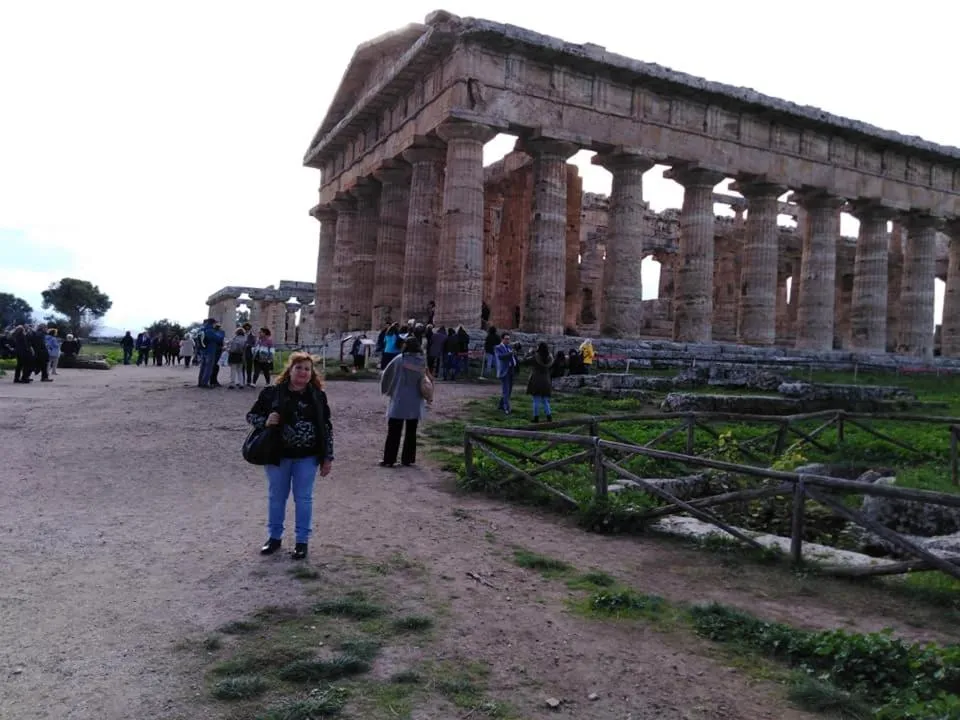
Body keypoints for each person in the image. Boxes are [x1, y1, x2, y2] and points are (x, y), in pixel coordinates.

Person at [246, 352, 334, 560]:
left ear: (311, 373)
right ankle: (274, 537)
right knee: (277, 497)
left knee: (304, 498)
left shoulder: (318, 396)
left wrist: (328, 456)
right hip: (278, 454)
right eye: (299, 368)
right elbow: (251, 416)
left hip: (308, 456)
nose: (303, 372)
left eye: (307, 369)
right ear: (290, 370)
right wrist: (266, 421)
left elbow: (327, 427)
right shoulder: (272, 394)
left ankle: (302, 541)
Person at [379, 337, 429, 467]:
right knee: (411, 432)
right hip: (415, 400)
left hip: (399, 399)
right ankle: (408, 459)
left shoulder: (399, 359)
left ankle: (389, 459)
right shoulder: (422, 361)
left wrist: (385, 390)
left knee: (394, 431)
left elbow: (386, 375)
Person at [526, 342, 554, 423]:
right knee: (545, 400)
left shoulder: (535, 357)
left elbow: (524, 361)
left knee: (536, 400)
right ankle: (549, 417)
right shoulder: (550, 357)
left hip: (536, 380)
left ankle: (536, 417)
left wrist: (529, 353)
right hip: (546, 380)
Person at [494, 332, 517, 415]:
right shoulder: (498, 347)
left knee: (509, 390)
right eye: (506, 339)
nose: (508, 340)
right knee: (506, 390)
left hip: (511, 370)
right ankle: (506, 408)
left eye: (508, 339)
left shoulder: (509, 347)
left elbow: (513, 357)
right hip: (504, 371)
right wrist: (511, 353)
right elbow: (501, 356)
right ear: (502, 339)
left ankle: (500, 405)